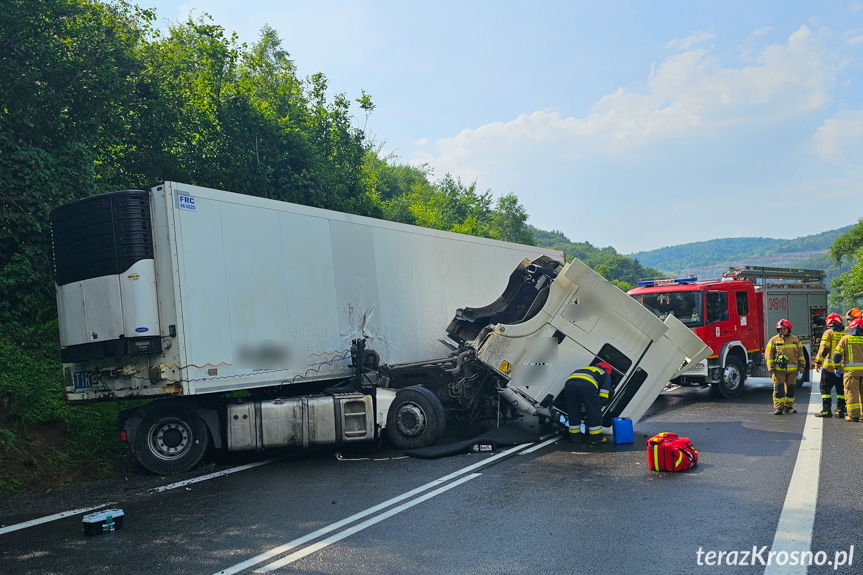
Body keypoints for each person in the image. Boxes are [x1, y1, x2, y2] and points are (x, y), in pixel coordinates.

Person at [563, 361, 613, 445]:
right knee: (594, 412)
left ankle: (574, 437)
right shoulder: (605, 374)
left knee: (573, 410)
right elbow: (604, 394)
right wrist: (598, 405)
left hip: (569, 384)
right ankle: (596, 438)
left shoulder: (585, 368)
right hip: (587, 385)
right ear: (608, 370)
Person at [765, 319, 805, 415]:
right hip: (779, 371)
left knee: (791, 389)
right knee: (779, 390)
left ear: (788, 329)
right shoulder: (774, 340)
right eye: (780, 329)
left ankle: (788, 406)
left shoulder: (795, 340)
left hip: (792, 371)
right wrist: (771, 369)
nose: (782, 330)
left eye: (784, 329)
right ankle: (779, 407)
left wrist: (802, 366)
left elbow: (800, 354)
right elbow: (768, 355)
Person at [813, 313, 847, 418]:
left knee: (825, 388)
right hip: (843, 367)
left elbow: (824, 348)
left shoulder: (829, 332)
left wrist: (818, 362)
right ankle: (840, 410)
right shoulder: (846, 332)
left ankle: (826, 410)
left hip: (829, 367)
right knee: (841, 389)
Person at [833, 318, 863, 422]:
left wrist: (837, 367)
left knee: (851, 393)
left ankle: (854, 415)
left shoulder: (845, 338)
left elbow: (837, 355)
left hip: (851, 372)